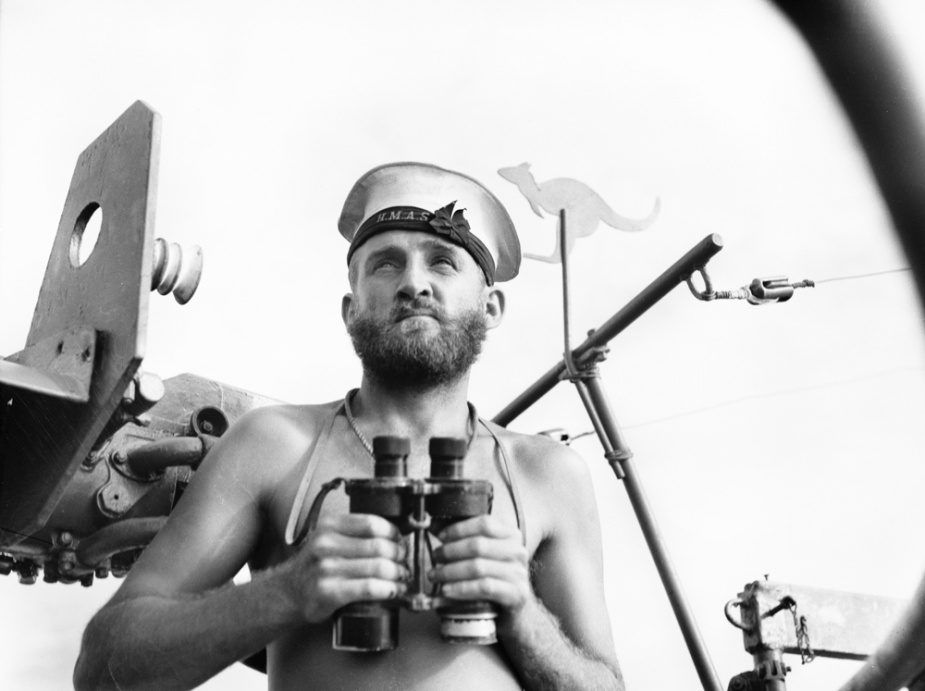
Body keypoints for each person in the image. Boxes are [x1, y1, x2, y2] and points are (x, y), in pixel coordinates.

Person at [74, 162, 623, 690]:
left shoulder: (548, 474)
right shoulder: (275, 446)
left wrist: (522, 615)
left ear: (492, 307)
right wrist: (289, 590)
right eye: (385, 264)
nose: (414, 283)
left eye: (442, 262)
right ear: (349, 309)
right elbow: (103, 669)